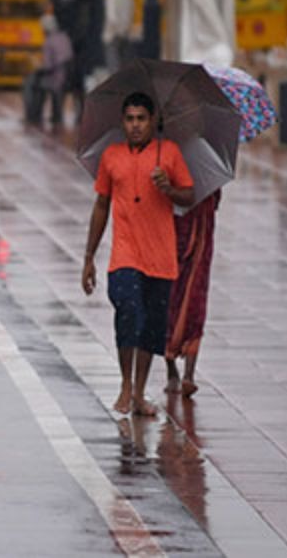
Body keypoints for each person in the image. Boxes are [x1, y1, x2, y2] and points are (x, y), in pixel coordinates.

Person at [81, 92, 194, 416]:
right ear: (122, 122)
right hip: (125, 254)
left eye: (141, 119)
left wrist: (168, 188)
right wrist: (89, 256)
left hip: (160, 257)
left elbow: (188, 195)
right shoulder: (111, 156)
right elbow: (101, 204)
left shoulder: (169, 153)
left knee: (151, 327)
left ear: (152, 120)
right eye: (129, 119)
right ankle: (125, 385)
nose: (135, 125)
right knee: (128, 313)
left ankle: (140, 392)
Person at [164, 190, 221, 398]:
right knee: (168, 299)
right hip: (169, 234)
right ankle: (171, 368)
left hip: (201, 237)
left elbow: (215, 200)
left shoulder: (206, 169)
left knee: (194, 299)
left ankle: (188, 374)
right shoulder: (166, 162)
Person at [24, 11, 73, 127]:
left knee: (30, 83)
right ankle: (55, 114)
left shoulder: (48, 42)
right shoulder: (64, 37)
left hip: (56, 79)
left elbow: (47, 67)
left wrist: (34, 62)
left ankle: (33, 114)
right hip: (69, 77)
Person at [104, 0, 137, 73]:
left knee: (114, 68)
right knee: (124, 69)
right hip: (126, 34)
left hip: (114, 35)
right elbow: (132, 13)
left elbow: (112, 16)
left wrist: (114, 32)